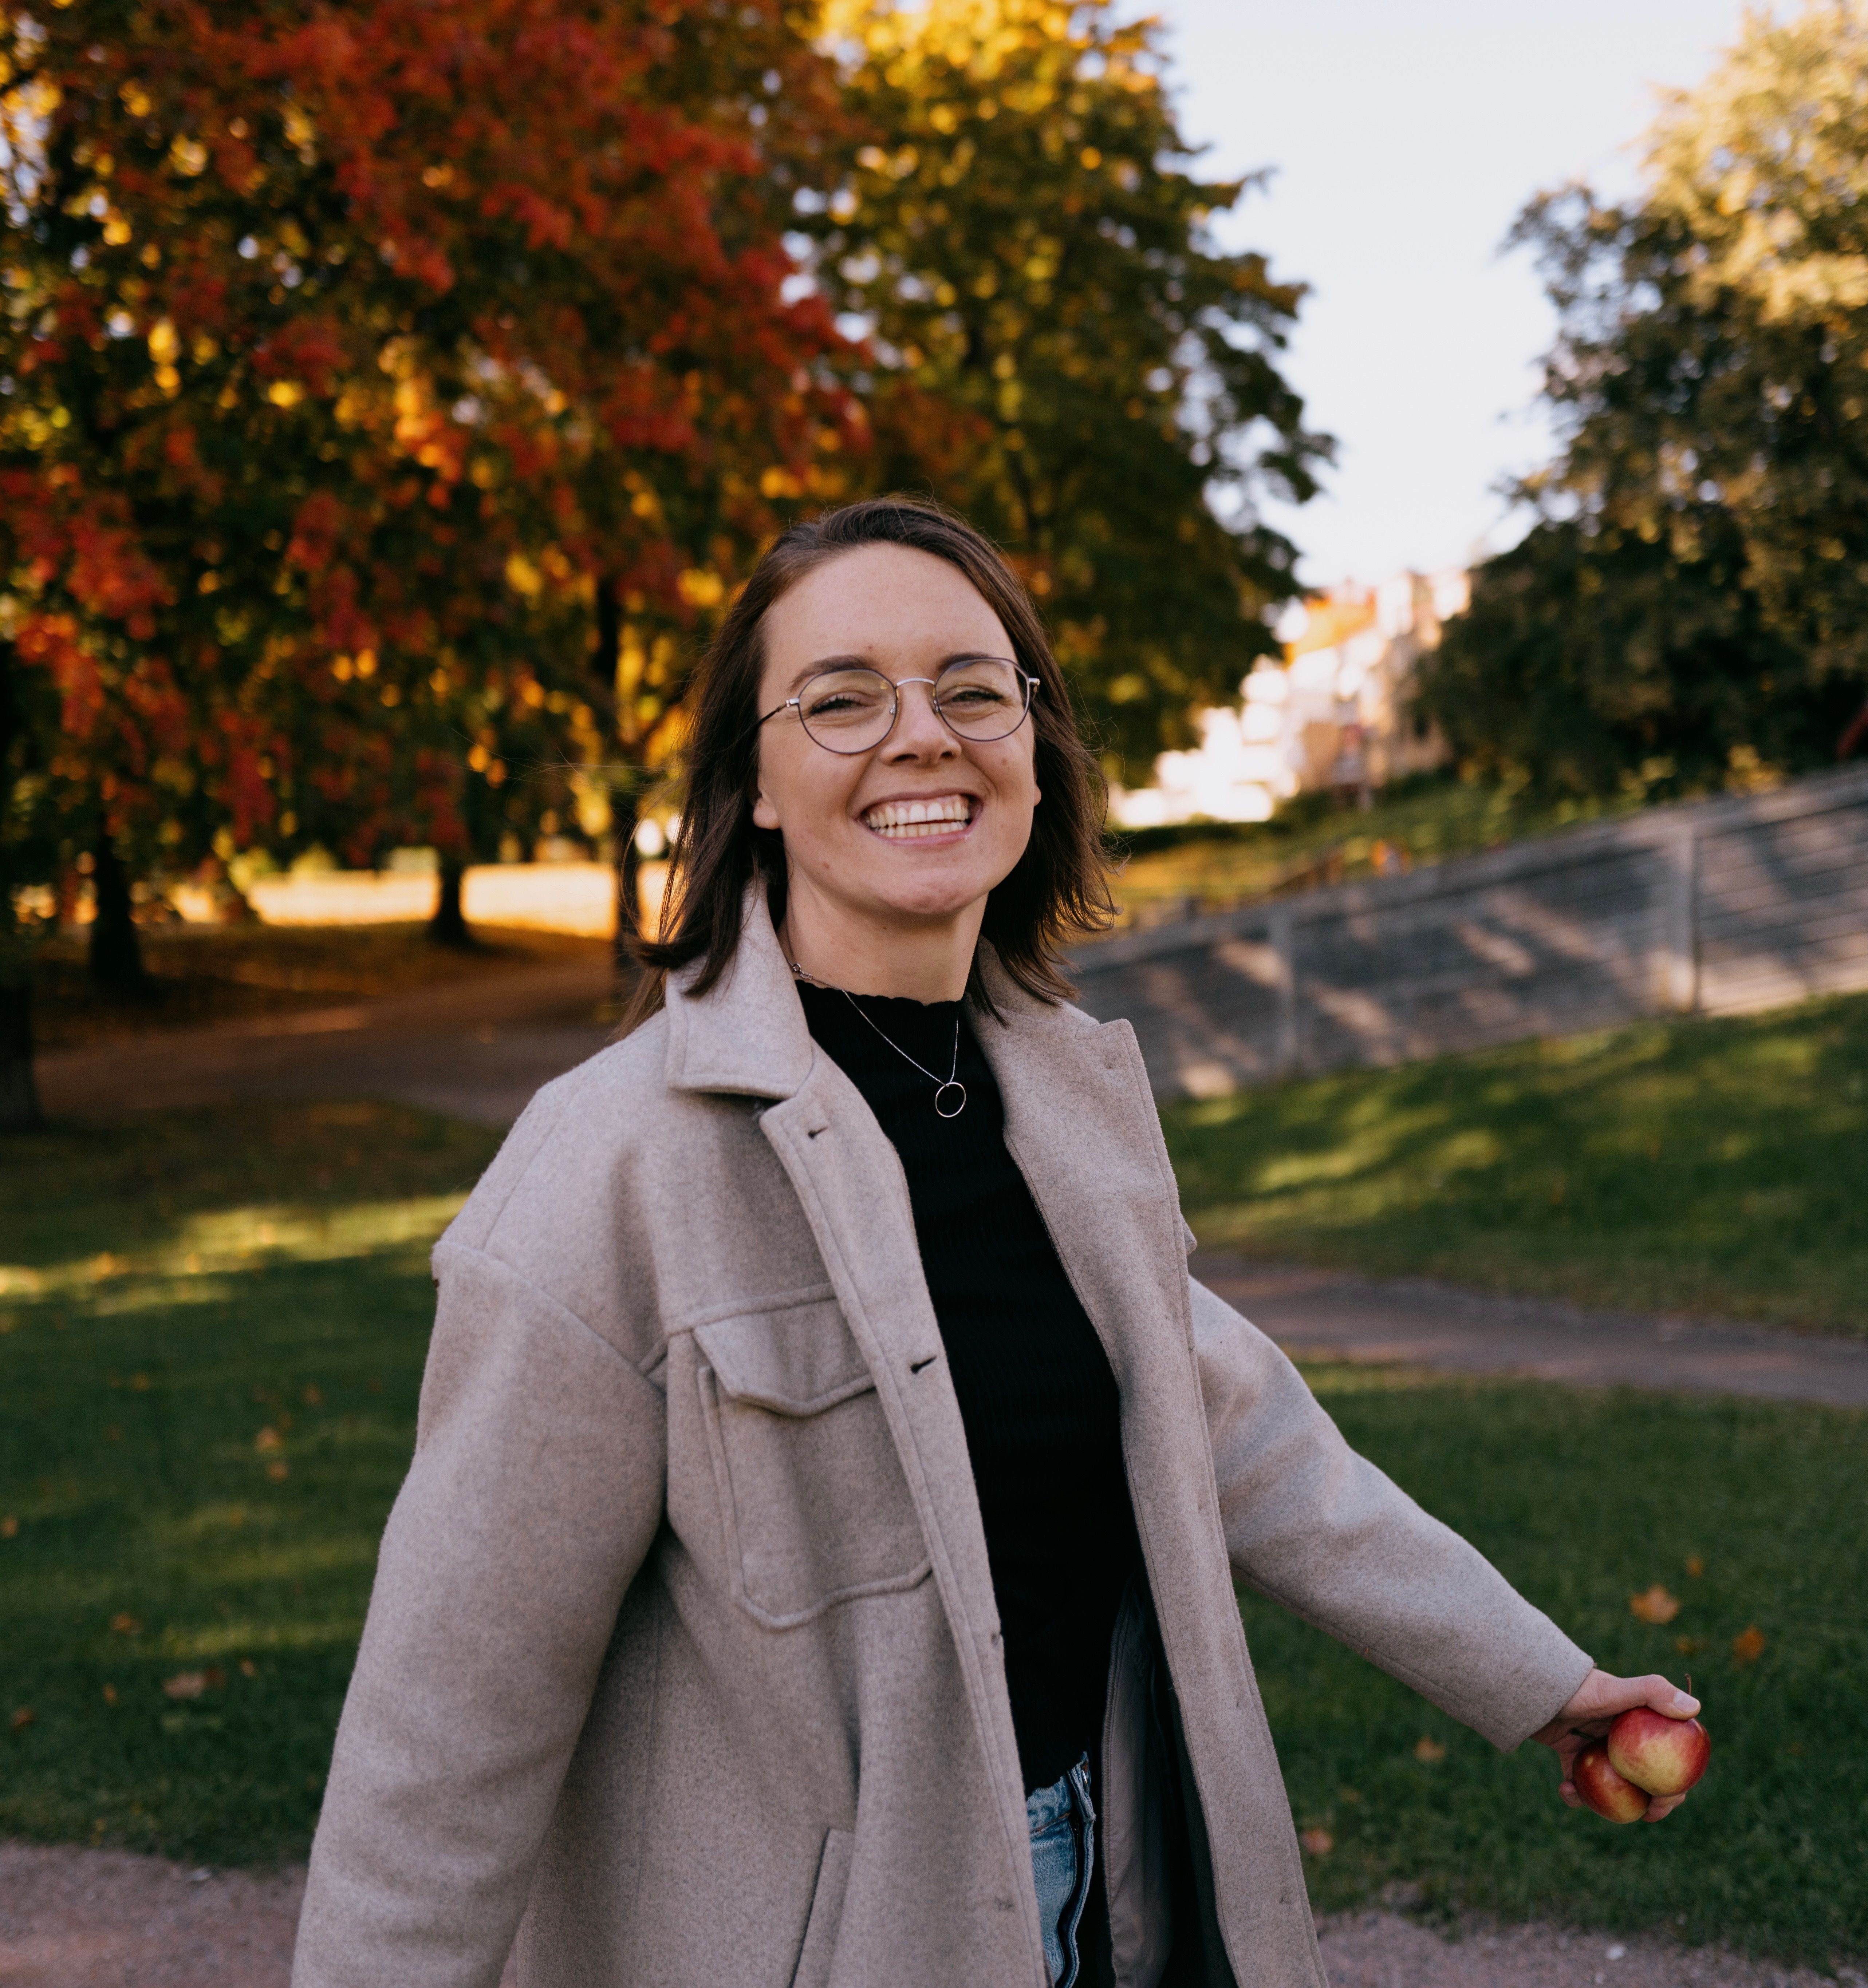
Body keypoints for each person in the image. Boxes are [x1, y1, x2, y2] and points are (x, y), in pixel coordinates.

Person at [292, 497, 1701, 1988]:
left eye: (975, 688)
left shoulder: (1067, 1101)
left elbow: (1250, 1440)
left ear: (1034, 749)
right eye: (842, 699)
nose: (923, 736)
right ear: (753, 783)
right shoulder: (607, 1174)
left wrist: (1543, 1680)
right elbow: (447, 1730)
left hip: (1111, 1892)